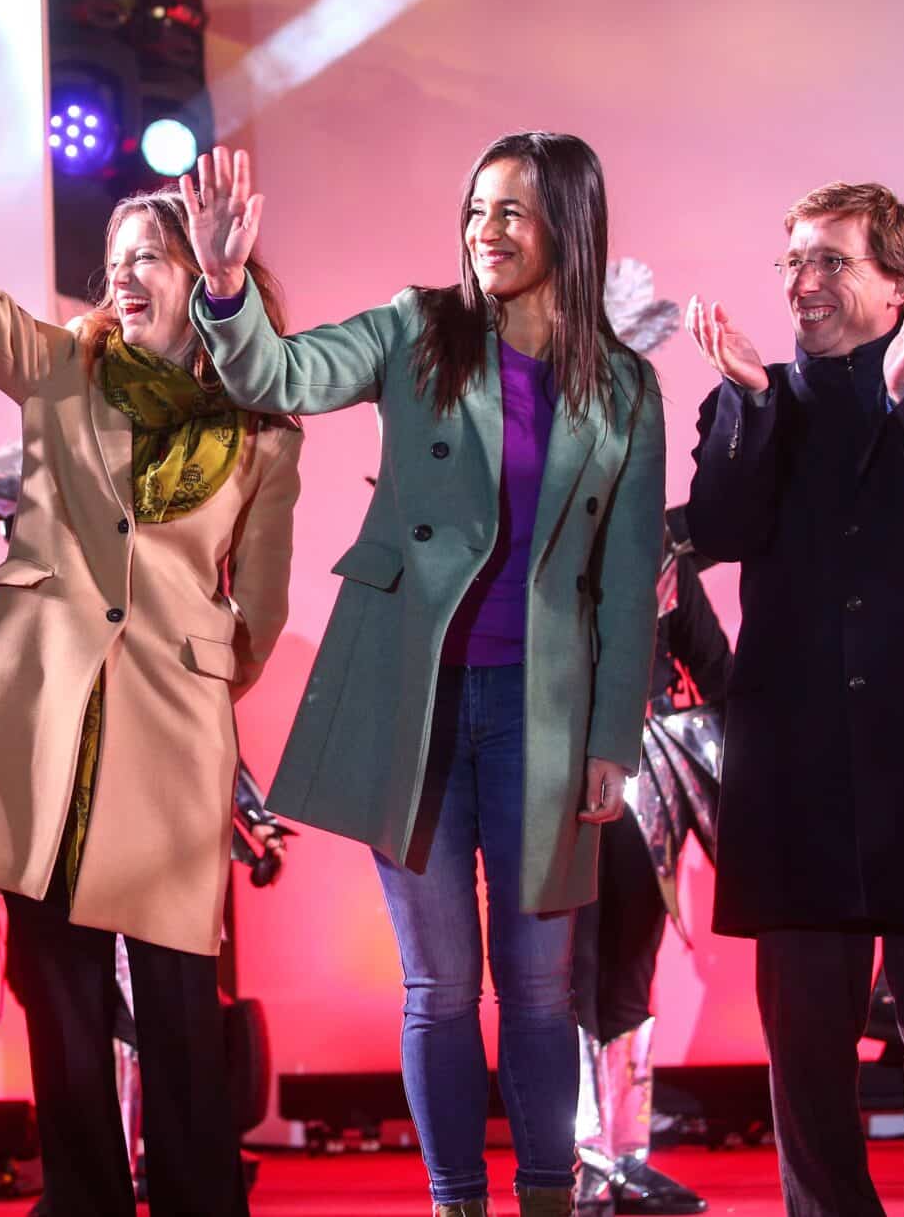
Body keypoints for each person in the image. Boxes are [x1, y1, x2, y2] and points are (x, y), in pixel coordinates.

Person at [0, 23, 302, 1217]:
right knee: (62, 999)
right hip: (36, 727)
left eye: (152, 253)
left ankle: (198, 1197)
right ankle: (83, 1198)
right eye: (115, 253)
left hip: (171, 733)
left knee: (183, 1002)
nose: (124, 271)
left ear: (207, 274)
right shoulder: (60, 370)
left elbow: (264, 608)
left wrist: (188, 671)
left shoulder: (263, 421)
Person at [184, 134, 666, 1217]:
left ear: (568, 228)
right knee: (438, 987)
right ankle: (454, 1203)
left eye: (512, 213)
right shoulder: (415, 329)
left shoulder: (624, 385)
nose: (484, 232)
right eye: (474, 210)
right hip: (417, 704)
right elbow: (281, 373)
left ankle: (545, 1198)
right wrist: (222, 285)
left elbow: (629, 583)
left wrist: (609, 744)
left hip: (544, 719)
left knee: (540, 993)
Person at [683, 181, 904, 1215]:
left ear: (901, 284)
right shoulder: (748, 400)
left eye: (830, 261)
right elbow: (718, 529)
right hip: (795, 770)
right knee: (801, 1054)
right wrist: (747, 407)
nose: (802, 281)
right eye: (792, 259)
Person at [571, 528, 728, 1216]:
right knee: (564, 975)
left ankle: (627, 1158)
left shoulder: (662, 552)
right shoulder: (531, 528)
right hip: (552, 778)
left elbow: (720, 673)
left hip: (642, 789)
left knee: (629, 968)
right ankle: (577, 1159)